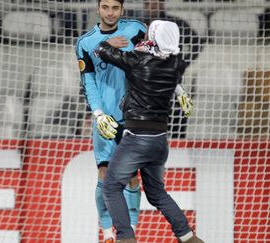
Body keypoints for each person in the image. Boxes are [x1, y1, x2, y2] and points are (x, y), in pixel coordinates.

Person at [97, 20, 203, 243]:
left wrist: (108, 41)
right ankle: (187, 236)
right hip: (159, 141)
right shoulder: (176, 64)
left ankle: (126, 238)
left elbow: (102, 52)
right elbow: (157, 50)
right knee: (156, 194)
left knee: (111, 187)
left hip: (137, 138)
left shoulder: (137, 61)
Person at [75, 0, 147, 242]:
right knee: (104, 173)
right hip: (105, 117)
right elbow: (89, 81)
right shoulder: (85, 42)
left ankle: (131, 232)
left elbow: (155, 61)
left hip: (133, 115)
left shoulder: (136, 30)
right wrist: (97, 112)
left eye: (115, 8)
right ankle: (107, 234)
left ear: (122, 10)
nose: (110, 12)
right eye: (105, 7)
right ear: (98, 9)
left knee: (132, 176)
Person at [141, 0, 202, 138]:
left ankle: (177, 140)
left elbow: (196, 43)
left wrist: (183, 64)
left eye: (155, 4)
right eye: (148, 4)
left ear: (162, 4)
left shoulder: (175, 23)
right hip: (146, 80)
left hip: (171, 77)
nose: (151, 7)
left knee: (176, 113)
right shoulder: (138, 25)